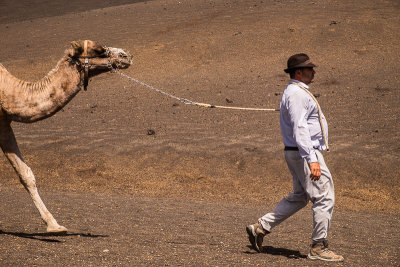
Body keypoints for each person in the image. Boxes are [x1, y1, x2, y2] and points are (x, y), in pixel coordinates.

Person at [246, 53, 344, 262]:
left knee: (300, 196)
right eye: (309, 69)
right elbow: (300, 128)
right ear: (298, 72)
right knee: (324, 196)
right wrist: (312, 159)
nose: (314, 72)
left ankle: (260, 227)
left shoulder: (295, 92)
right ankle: (318, 246)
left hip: (296, 152)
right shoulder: (297, 94)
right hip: (304, 153)